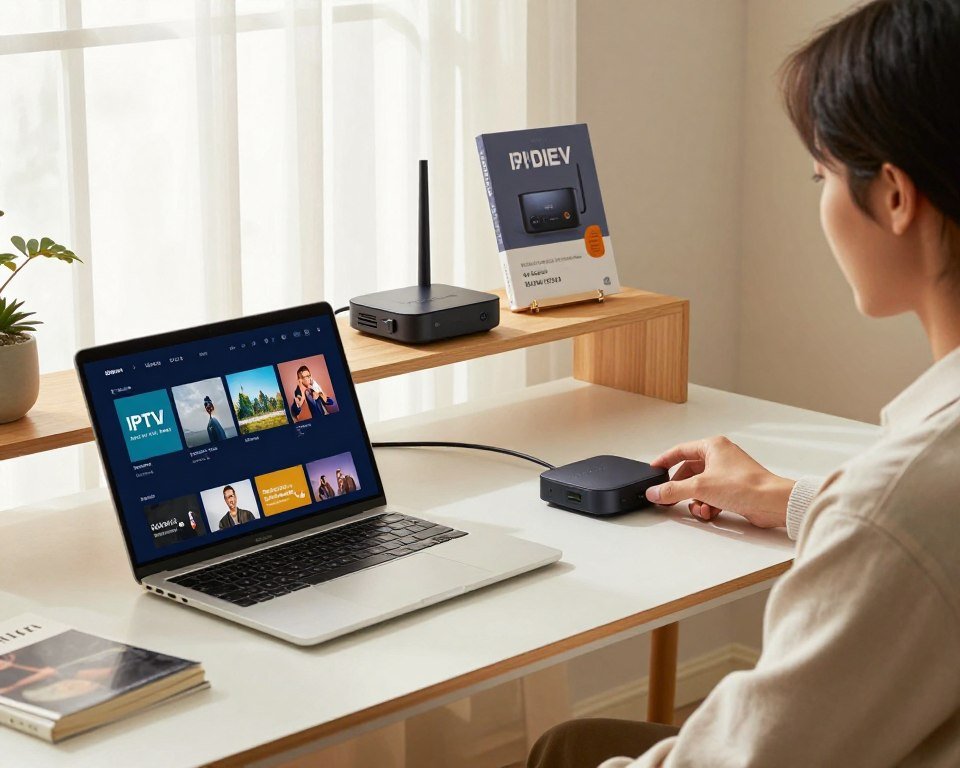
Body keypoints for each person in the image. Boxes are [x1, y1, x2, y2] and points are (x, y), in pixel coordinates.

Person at [529, 1, 960, 766]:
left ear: (895, 195)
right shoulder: (907, 496)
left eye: (820, 172)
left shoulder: (899, 503)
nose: (821, 200)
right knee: (572, 741)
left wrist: (855, 515)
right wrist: (793, 499)